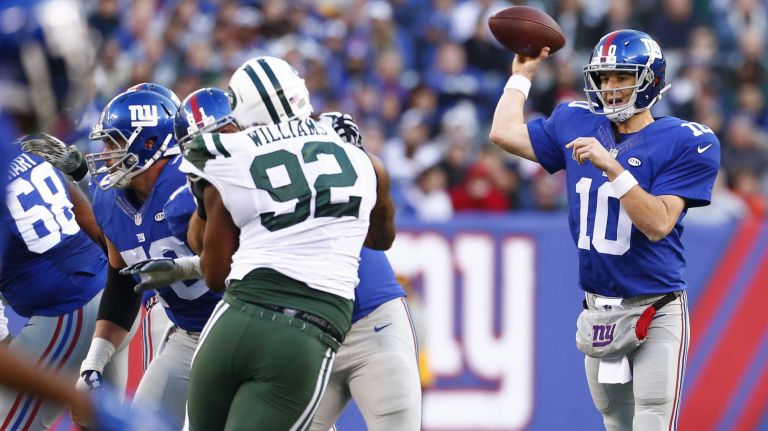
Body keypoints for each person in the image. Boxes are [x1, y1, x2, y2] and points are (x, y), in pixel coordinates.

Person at [488, 30, 720, 430]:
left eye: (622, 77)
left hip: (654, 307)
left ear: (650, 80)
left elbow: (658, 223)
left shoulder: (685, 140)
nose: (611, 89)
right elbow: (503, 133)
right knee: (615, 423)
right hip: (598, 310)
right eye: (605, 78)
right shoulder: (576, 120)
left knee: (652, 421)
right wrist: (521, 76)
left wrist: (612, 168)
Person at [180, 56, 396, 430]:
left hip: (235, 318)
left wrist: (207, 194)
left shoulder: (230, 154)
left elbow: (214, 275)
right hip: (306, 330)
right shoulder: (363, 160)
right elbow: (381, 239)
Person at [76, 89, 221, 428]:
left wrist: (185, 267)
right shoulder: (108, 200)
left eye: (114, 142)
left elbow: (249, 263)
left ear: (150, 143)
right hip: (188, 334)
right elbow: (122, 283)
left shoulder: (191, 183)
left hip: (242, 323)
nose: (105, 154)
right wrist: (93, 362)